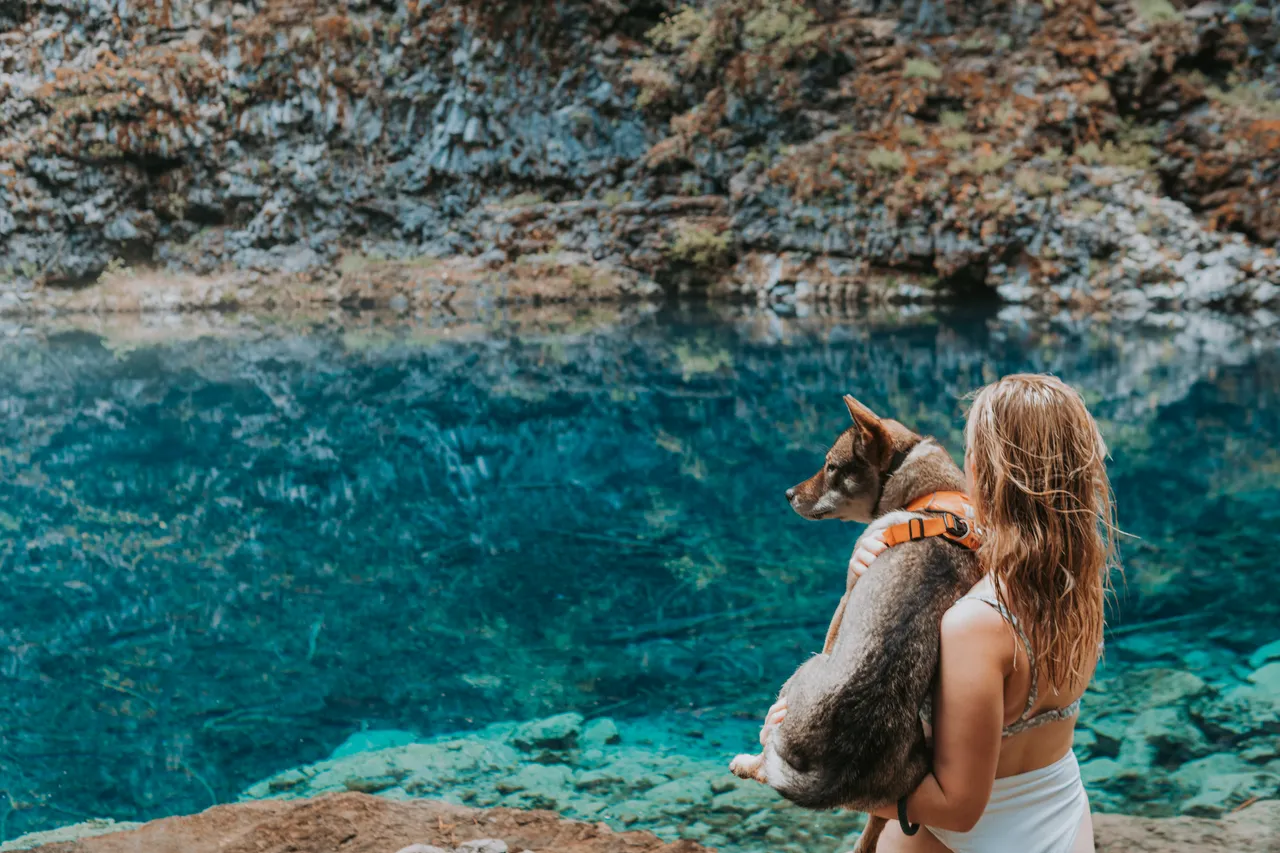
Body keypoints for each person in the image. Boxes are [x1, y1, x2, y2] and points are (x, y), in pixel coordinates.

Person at [761, 374, 1117, 853]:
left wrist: (788, 763)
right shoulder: (1076, 584)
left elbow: (958, 808)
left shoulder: (978, 622)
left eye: (971, 450)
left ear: (988, 473)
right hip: (1061, 822)